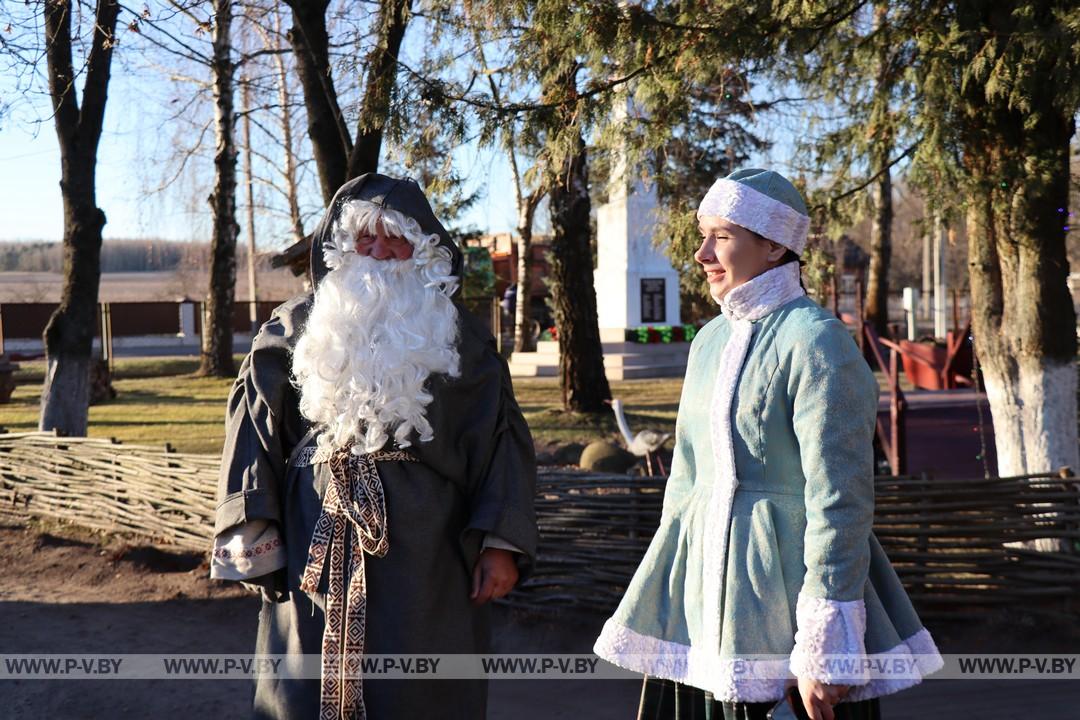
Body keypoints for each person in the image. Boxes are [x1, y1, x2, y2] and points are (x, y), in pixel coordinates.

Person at [593, 169, 944, 720]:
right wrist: (668, 603)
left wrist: (822, 642)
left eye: (723, 236)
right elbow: (684, 484)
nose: (702, 251)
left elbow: (840, 499)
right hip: (704, 608)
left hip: (779, 609)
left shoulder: (816, 340)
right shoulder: (709, 341)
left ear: (775, 244)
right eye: (702, 234)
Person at [209, 173, 538, 720]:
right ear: (341, 245)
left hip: (431, 549)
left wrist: (501, 542)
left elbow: (500, 440)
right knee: (302, 684)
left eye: (396, 239)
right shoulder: (294, 327)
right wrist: (252, 525)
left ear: (424, 249)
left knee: (421, 688)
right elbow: (255, 429)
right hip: (313, 525)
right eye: (366, 238)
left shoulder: (461, 337)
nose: (380, 252)